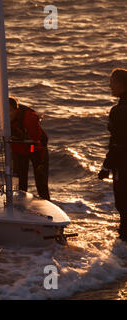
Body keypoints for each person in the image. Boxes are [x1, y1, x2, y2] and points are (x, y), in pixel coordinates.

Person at [0, 97, 50, 200]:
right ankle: (21, 210)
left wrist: (41, 163)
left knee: (41, 184)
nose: (7, 115)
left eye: (9, 111)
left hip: (35, 149)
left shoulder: (28, 118)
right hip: (18, 150)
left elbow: (40, 141)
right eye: (4, 111)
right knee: (20, 186)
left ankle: (47, 207)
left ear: (16, 110)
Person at [98, 68, 127, 242]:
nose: (110, 85)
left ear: (121, 84)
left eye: (112, 82)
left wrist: (106, 166)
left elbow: (118, 143)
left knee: (123, 203)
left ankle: (123, 241)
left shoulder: (119, 110)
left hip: (123, 163)